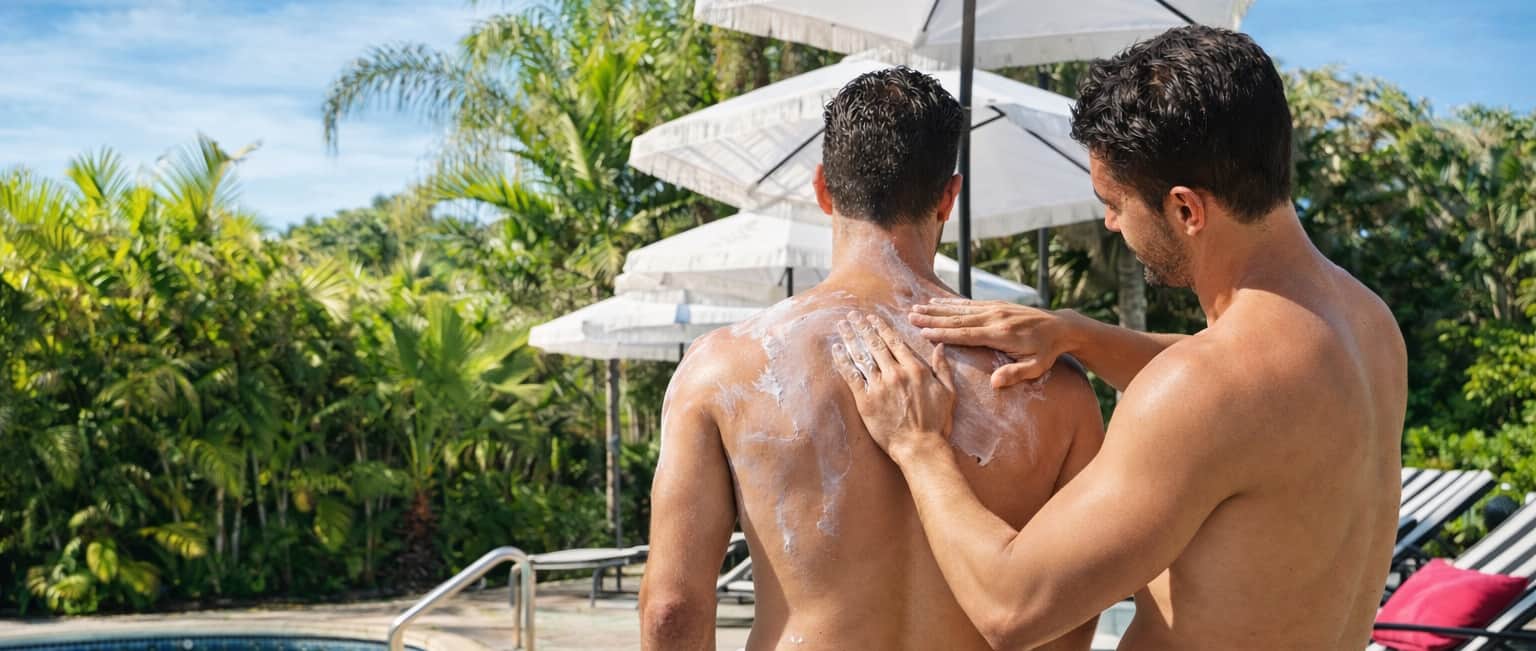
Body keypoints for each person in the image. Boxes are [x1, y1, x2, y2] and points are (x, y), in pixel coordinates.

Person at [831, 26, 1407, 650]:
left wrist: (919, 447)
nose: (1109, 222)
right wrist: (1078, 334)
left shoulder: (1205, 389)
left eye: (1113, 202)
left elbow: (1012, 608)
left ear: (1186, 210)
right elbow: (1249, 389)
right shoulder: (1367, 324)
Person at [638, 67, 1106, 651]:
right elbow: (1073, 608)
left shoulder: (721, 369)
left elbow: (671, 609)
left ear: (823, 189)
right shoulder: (1055, 384)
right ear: (949, 197)